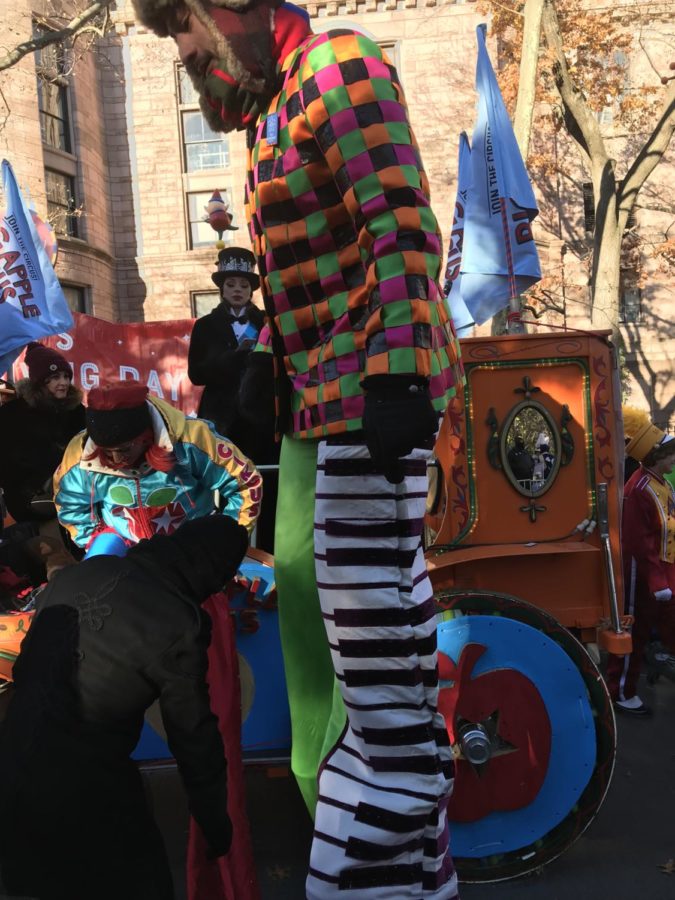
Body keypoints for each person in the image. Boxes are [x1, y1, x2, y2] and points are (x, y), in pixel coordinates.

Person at [132, 1, 462, 896]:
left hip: (365, 406)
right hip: (320, 412)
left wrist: (394, 373)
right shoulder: (274, 110)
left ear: (227, 7)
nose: (184, 53)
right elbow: (314, 271)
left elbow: (396, 223)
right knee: (333, 658)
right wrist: (269, 371)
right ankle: (407, 871)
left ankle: (376, 869)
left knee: (379, 665)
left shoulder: (338, 67)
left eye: (182, 28)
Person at [0, 515, 248, 900]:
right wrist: (215, 821)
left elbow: (28, 664)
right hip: (89, 788)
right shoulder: (178, 620)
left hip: (11, 759)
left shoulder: (79, 574)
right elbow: (193, 736)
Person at [54, 381, 261, 547]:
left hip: (192, 554)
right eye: (106, 452)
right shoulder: (79, 454)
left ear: (146, 437)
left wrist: (225, 540)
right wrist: (99, 541)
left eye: (124, 450)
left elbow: (245, 484)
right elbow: (70, 504)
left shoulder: (192, 440)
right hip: (126, 560)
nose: (116, 461)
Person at [188, 247, 278, 551]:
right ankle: (223, 548)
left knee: (266, 483)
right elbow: (196, 373)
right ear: (221, 288)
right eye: (231, 285)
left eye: (243, 285)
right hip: (222, 421)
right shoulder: (205, 326)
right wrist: (232, 357)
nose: (237, 291)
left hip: (261, 420)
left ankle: (267, 548)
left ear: (252, 289)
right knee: (225, 484)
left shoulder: (267, 323)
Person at [605, 407, 675, 716]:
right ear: (656, 458)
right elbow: (640, 544)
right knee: (634, 633)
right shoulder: (639, 490)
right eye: (669, 455)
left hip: (662, 570)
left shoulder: (662, 484)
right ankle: (621, 691)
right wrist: (658, 581)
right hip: (644, 575)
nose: (673, 460)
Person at [0, 342, 85, 526]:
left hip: (76, 499)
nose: (63, 382)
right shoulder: (13, 414)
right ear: (39, 381)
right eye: (54, 377)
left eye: (65, 376)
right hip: (29, 503)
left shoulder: (77, 411)